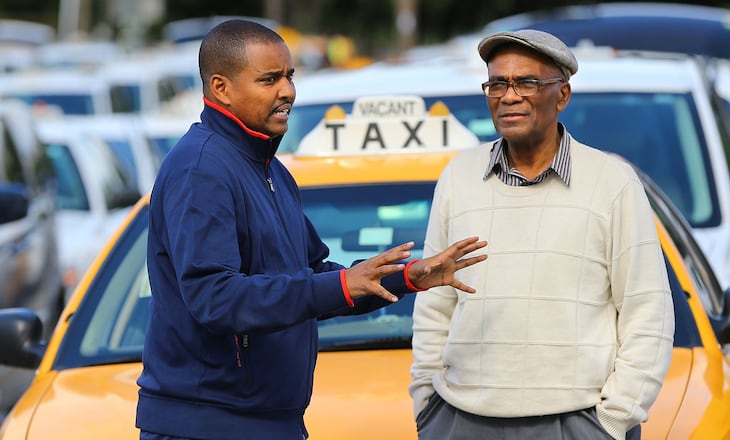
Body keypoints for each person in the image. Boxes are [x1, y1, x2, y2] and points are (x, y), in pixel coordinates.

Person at [135, 19, 487, 440]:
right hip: (210, 425)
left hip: (266, 422)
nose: (287, 91)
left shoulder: (270, 170)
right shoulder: (201, 168)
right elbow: (214, 298)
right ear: (220, 88)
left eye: (289, 76)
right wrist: (341, 285)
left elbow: (314, 275)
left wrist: (405, 277)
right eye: (269, 80)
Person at [409, 29, 675, 440]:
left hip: (577, 421)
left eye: (526, 83)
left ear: (562, 95)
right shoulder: (458, 177)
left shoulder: (612, 181)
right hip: (460, 419)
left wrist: (613, 421)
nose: (508, 96)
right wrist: (428, 403)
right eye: (497, 83)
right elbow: (434, 303)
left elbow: (648, 312)